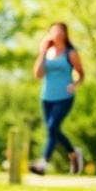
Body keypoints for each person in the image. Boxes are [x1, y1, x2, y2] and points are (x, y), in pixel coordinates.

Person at [29, 22, 85, 175]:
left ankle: (43, 163)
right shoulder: (46, 53)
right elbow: (38, 74)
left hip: (65, 96)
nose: (57, 34)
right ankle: (73, 153)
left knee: (52, 128)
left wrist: (75, 84)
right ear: (49, 34)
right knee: (53, 130)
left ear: (65, 34)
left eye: (60, 31)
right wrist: (42, 52)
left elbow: (81, 73)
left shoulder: (70, 53)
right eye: (54, 31)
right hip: (46, 97)